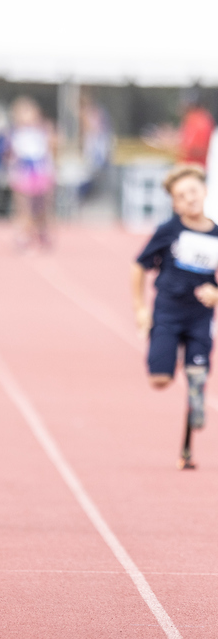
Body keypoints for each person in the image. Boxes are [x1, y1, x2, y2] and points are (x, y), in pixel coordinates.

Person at [131, 165, 218, 469]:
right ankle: (178, 364)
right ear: (175, 204)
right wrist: (140, 309)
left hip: (200, 316)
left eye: (193, 191)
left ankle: (196, 384)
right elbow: (139, 266)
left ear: (205, 191)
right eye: (182, 196)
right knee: (160, 379)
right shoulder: (169, 230)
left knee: (197, 370)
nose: (190, 199)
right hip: (167, 312)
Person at [8, 96, 55, 250]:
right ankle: (24, 235)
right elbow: (12, 154)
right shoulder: (15, 133)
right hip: (24, 174)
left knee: (42, 208)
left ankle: (42, 232)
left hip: (40, 173)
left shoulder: (43, 130)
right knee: (24, 208)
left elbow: (51, 150)